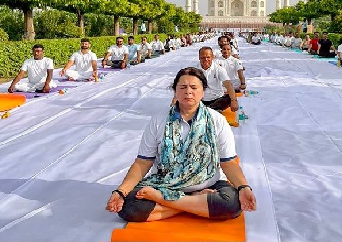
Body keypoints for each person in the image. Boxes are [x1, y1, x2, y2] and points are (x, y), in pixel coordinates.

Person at [106, 67, 256, 222]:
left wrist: (244, 187)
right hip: (165, 183)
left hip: (209, 182)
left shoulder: (217, 120)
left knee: (233, 203)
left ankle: (169, 202)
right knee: (128, 207)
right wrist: (121, 191)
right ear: (175, 91)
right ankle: (195, 203)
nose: (188, 92)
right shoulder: (159, 120)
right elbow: (143, 161)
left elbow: (229, 163)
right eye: (183, 87)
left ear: (203, 91)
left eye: (194, 87)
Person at [197, 46, 238, 112]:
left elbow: (228, 85)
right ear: (199, 58)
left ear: (212, 57)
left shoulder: (219, 69)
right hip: (200, 100)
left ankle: (207, 111)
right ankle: (209, 111)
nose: (206, 59)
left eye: (208, 57)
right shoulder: (194, 70)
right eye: (203, 57)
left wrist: (234, 100)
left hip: (217, 99)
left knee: (229, 99)